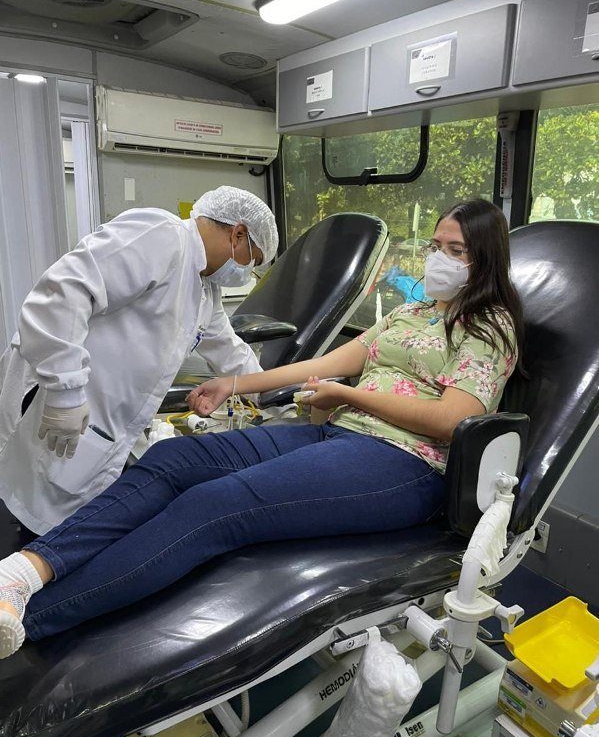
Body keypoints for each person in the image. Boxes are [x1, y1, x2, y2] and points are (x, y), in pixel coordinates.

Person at [0, 198, 524, 660]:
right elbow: (332, 362)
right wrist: (235, 384)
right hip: (338, 434)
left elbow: (453, 419)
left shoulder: (490, 327)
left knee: (215, 505)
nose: (439, 258)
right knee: (172, 462)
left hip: (405, 462)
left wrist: (346, 395)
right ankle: (24, 573)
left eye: (455, 250)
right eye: (435, 245)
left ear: (484, 259)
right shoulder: (411, 312)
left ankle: (34, 621)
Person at [0, 186, 279, 537]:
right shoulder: (162, 237)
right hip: (61, 406)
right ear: (238, 234)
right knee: (25, 518)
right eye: (252, 262)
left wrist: (280, 393)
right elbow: (61, 294)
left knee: (60, 530)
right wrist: (65, 391)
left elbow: (229, 350)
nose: (246, 273)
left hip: (102, 428)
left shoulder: (205, 288)